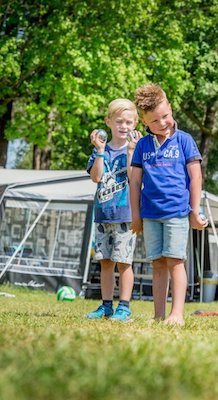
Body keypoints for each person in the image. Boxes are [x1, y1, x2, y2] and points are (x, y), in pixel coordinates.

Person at [130, 83, 208, 325]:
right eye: (154, 121)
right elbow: (134, 182)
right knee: (158, 264)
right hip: (150, 214)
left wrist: (195, 212)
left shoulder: (185, 141)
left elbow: (196, 177)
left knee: (175, 261)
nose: (162, 123)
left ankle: (177, 314)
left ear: (171, 109)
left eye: (165, 116)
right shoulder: (142, 146)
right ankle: (159, 315)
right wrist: (135, 216)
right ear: (144, 122)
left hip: (176, 212)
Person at [86, 98, 141, 322]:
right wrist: (99, 151)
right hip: (103, 214)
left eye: (129, 122)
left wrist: (130, 152)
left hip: (125, 216)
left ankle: (124, 307)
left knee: (124, 262)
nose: (123, 126)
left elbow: (132, 176)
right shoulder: (101, 151)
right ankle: (106, 305)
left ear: (135, 123)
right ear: (108, 122)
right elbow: (96, 177)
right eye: (118, 121)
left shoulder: (136, 150)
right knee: (105, 262)